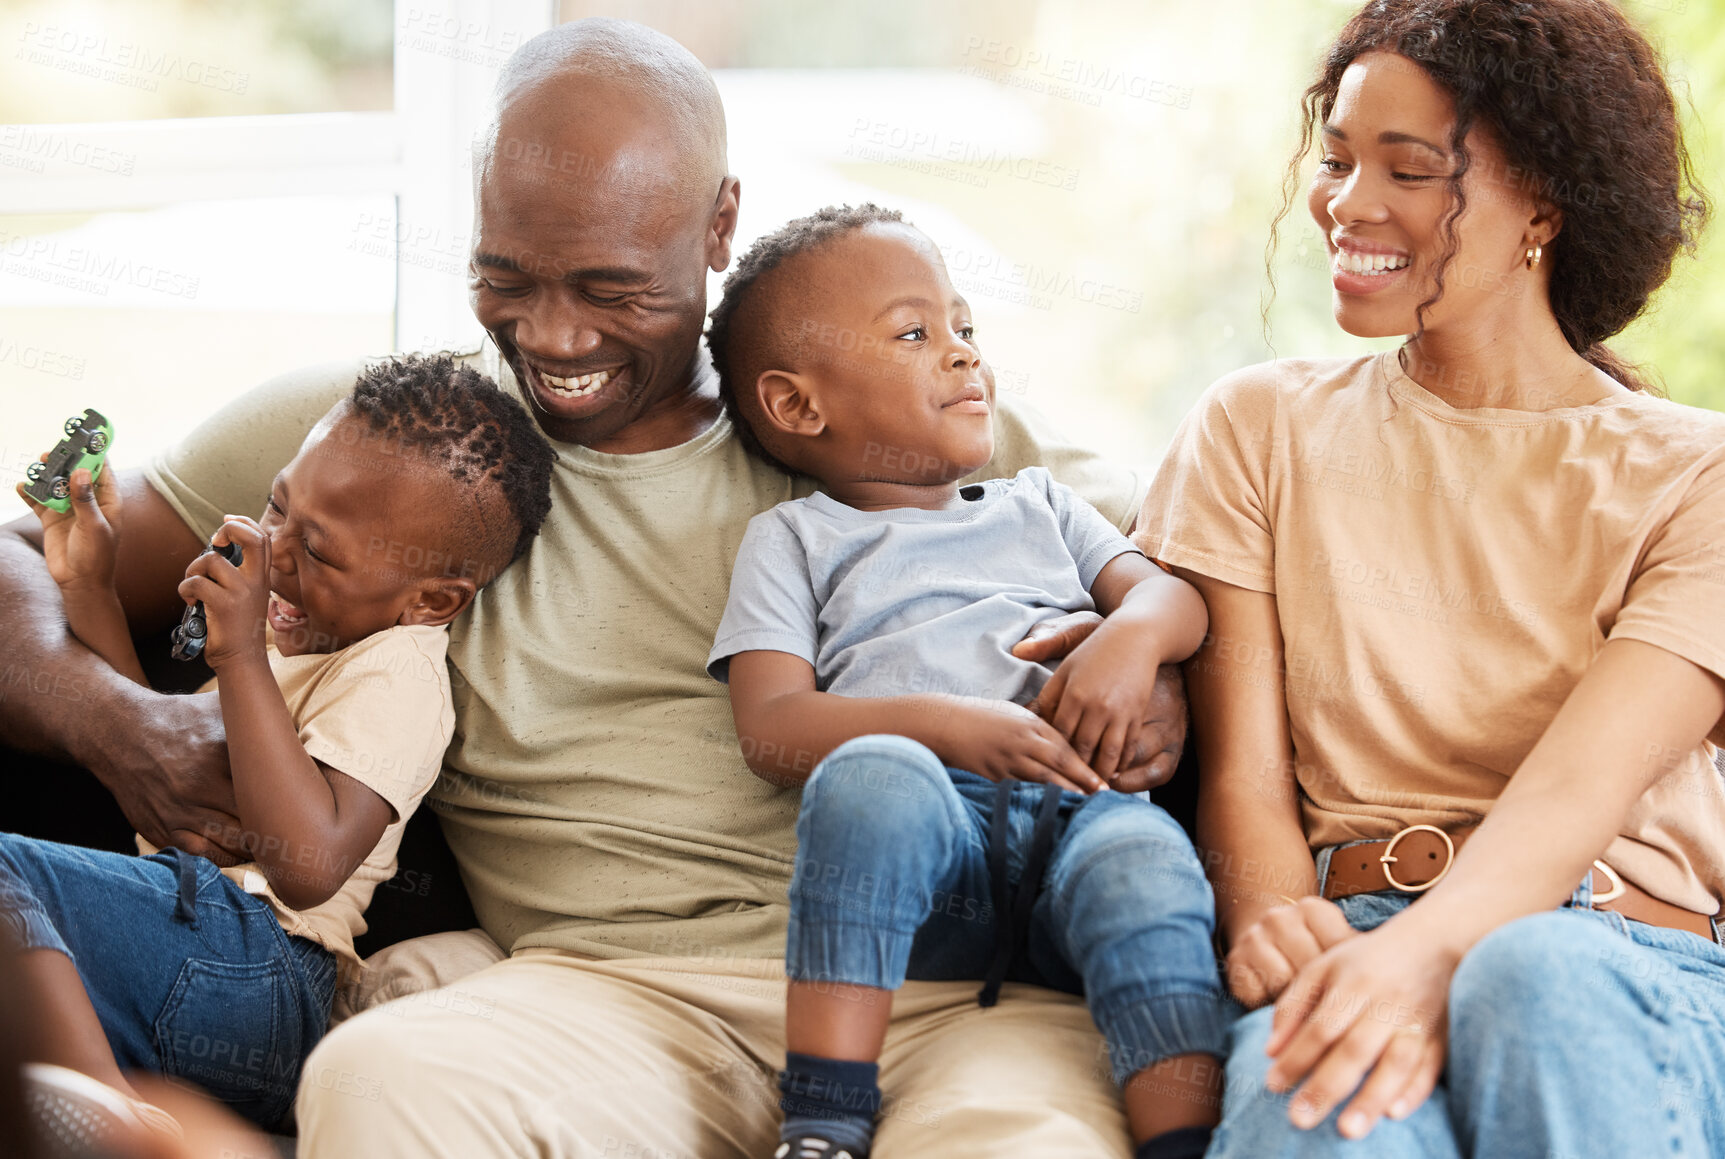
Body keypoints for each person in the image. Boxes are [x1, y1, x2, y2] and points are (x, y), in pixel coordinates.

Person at [0, 20, 1189, 1158]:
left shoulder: (903, 416)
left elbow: (1205, 574)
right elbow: (20, 553)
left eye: (613, 288)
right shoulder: (394, 452)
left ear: (721, 224)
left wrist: (1163, 678)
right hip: (607, 1000)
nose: (554, 336)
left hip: (949, 990)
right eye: (506, 276)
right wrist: (124, 724)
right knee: (380, 1081)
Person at [1136, 1, 1725, 1155]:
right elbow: (1249, 781)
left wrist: (1426, 954)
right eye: (1339, 157)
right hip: (1351, 928)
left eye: (1410, 171)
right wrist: (1270, 919)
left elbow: (1572, 799)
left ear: (1545, 206)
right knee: (1320, 1114)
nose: (1349, 205)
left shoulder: (1699, 473)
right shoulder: (1258, 429)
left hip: (1610, 951)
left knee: (1531, 976)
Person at [703, 205, 1226, 1159]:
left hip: (1079, 811)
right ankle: (822, 1120)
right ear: (797, 406)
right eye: (915, 333)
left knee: (1146, 865)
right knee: (865, 783)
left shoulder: (1042, 504)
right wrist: (946, 728)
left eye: (964, 328)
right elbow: (771, 727)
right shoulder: (795, 538)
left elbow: (1176, 604)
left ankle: (1182, 1141)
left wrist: (1128, 639)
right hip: (929, 844)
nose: (961, 355)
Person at [3, 355, 554, 1141]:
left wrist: (240, 660)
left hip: (265, 972)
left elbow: (306, 866)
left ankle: (113, 1124)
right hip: (181, 931)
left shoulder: (395, 670)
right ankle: (81, 1097)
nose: (273, 550)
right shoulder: (280, 628)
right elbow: (163, 760)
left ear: (428, 598)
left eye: (320, 552)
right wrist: (88, 584)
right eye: (275, 505)